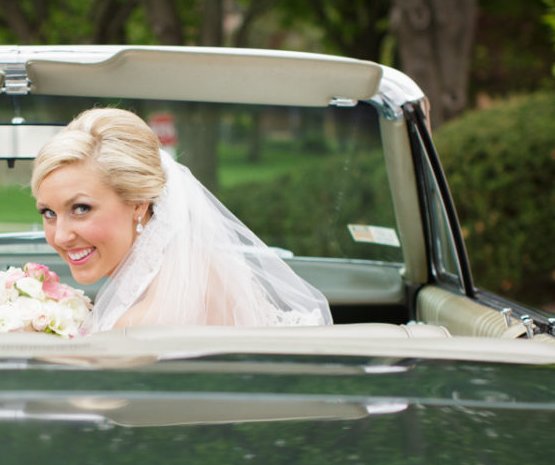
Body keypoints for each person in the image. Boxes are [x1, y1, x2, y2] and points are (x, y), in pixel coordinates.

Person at [30, 107, 332, 331]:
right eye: (49, 213)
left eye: (81, 209)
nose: (60, 236)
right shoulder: (195, 265)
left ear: (138, 202)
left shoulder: (146, 321)